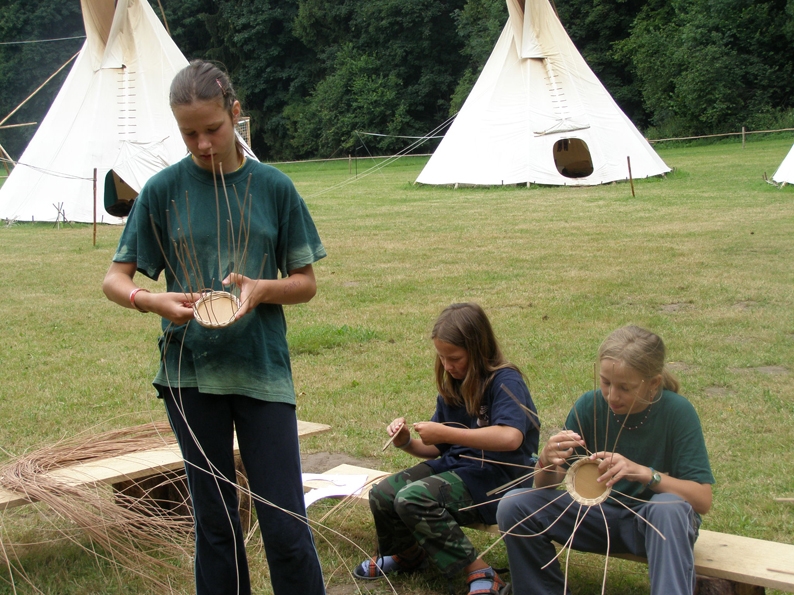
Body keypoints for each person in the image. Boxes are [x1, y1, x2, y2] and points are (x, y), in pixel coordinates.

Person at [102, 60, 327, 595]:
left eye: (213, 129)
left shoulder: (273, 187)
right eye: (189, 134)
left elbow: (306, 281)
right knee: (217, 525)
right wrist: (151, 300)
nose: (203, 144)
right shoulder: (162, 191)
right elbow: (115, 278)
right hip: (190, 377)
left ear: (235, 113)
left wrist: (261, 289)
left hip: (261, 371)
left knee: (285, 522)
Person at [497, 326, 714, 595]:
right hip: (598, 519)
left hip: (653, 526)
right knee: (514, 504)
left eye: (625, 387)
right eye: (606, 383)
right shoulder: (589, 406)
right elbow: (543, 489)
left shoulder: (677, 413)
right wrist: (546, 462)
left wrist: (646, 474)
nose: (612, 396)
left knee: (667, 508)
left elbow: (702, 500)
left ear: (654, 383)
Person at [354, 302, 539, 595]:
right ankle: (409, 554)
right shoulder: (455, 384)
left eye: (454, 358)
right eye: (442, 357)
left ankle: (479, 570)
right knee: (384, 493)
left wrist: (447, 432)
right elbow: (435, 448)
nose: (448, 366)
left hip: (498, 478)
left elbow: (511, 438)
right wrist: (406, 442)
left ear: (478, 350)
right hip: (459, 468)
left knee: (413, 498)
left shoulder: (505, 381)